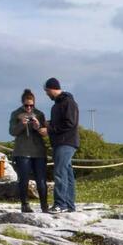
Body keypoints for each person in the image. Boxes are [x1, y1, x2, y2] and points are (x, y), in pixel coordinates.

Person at [8, 88, 51, 213]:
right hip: (22, 151)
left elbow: (45, 132)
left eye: (31, 105)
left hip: (38, 152)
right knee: (24, 179)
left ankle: (44, 206)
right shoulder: (15, 113)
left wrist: (38, 126)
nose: (29, 108)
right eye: (26, 105)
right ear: (23, 103)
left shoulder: (39, 114)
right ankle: (25, 205)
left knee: (41, 180)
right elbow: (12, 132)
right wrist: (21, 124)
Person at [44, 77, 80, 214]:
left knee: (59, 172)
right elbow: (60, 122)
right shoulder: (56, 106)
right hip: (59, 142)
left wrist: (49, 129)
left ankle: (60, 204)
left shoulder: (68, 102)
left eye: (47, 91)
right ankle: (69, 205)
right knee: (67, 174)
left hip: (66, 142)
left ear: (52, 89)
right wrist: (47, 124)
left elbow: (70, 123)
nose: (47, 94)